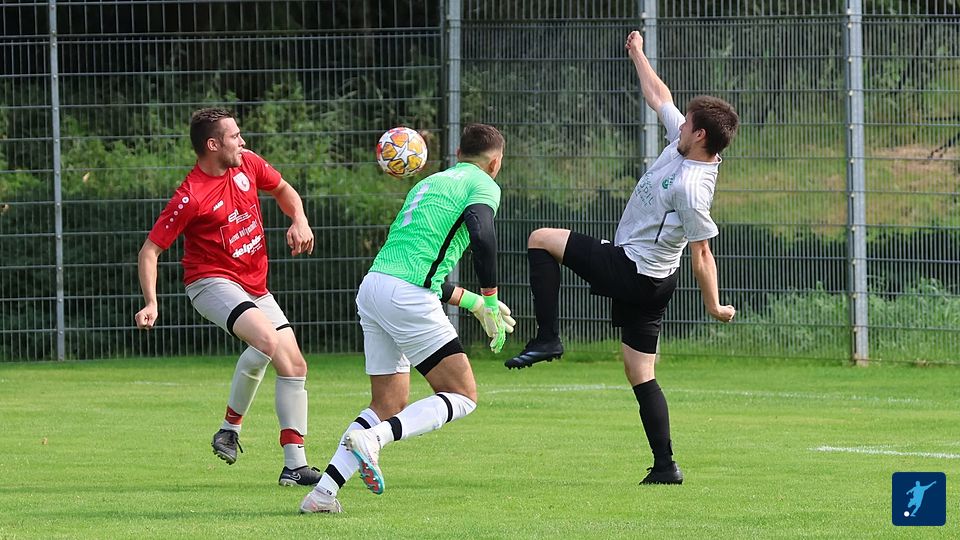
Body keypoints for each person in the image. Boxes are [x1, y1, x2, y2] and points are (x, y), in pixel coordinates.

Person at [503, 31, 740, 485]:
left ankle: (548, 338)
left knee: (540, 239)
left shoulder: (692, 187)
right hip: (654, 279)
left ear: (700, 135)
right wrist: (638, 54)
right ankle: (666, 466)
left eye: (687, 124)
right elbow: (660, 97)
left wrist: (714, 305)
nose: (679, 125)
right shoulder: (685, 145)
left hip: (634, 270)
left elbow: (702, 251)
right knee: (640, 372)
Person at [299, 123, 515, 513]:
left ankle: (322, 494)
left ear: (457, 154)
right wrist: (490, 296)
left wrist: (474, 304)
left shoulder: (429, 184)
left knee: (387, 402)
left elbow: (420, 264)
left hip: (374, 287)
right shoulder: (483, 183)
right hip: (406, 295)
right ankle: (375, 440)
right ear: (495, 162)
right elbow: (483, 236)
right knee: (463, 395)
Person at [134, 107, 323, 487]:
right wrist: (151, 302)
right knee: (267, 340)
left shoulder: (247, 164)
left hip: (253, 285)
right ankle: (231, 428)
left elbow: (284, 190)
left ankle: (293, 465)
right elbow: (149, 251)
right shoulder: (191, 196)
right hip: (209, 283)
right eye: (234, 136)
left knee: (294, 365)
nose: (242, 142)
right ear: (212, 145)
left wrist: (299, 220)